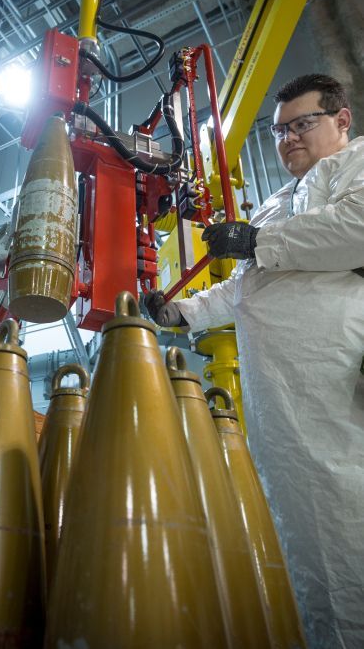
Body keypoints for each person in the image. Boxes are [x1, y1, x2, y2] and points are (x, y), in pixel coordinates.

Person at [146, 74, 364, 649]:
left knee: (347, 517)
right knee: (301, 539)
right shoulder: (273, 205)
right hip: (278, 395)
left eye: (302, 124)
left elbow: (356, 230)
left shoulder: (356, 166)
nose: (289, 137)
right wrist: (180, 313)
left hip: (335, 374)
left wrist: (255, 243)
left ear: (342, 122)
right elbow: (246, 287)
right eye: (279, 130)